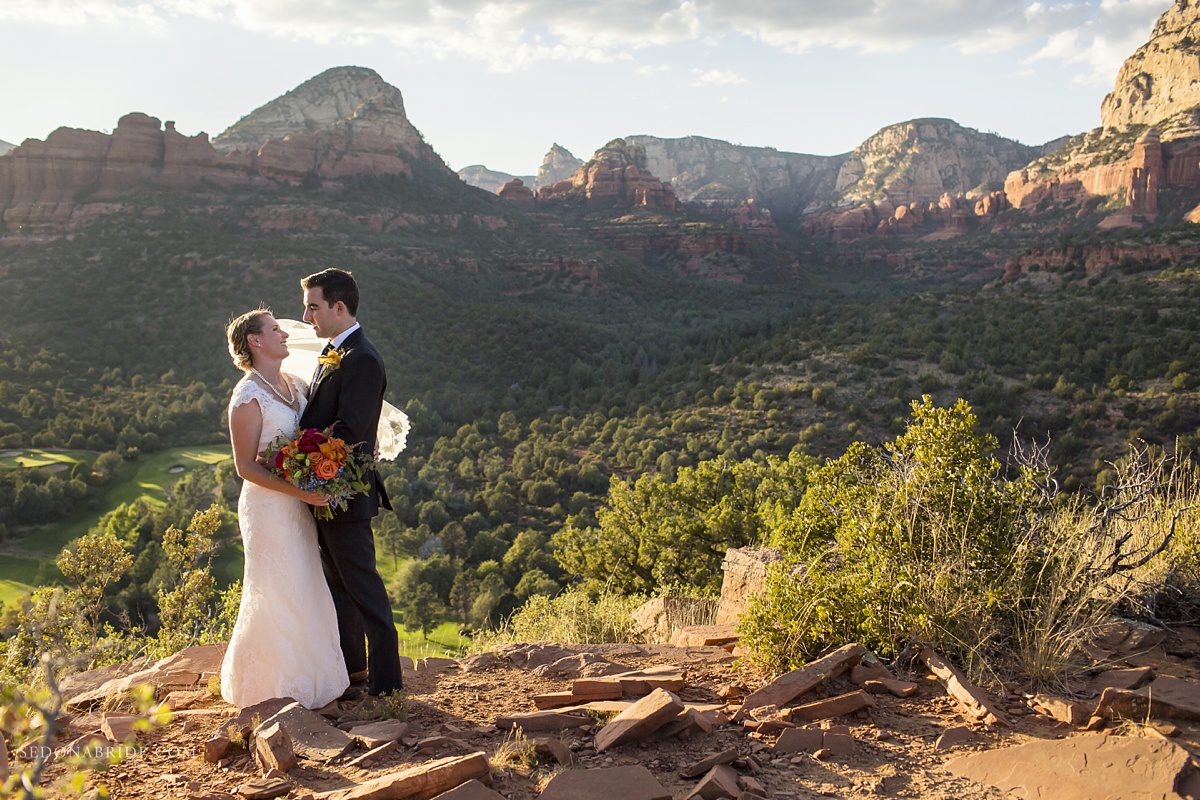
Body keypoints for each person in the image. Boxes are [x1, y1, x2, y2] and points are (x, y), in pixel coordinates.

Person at [219, 308, 350, 709]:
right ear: (255, 341)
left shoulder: (294, 384)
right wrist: (302, 493)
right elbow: (245, 467)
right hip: (268, 508)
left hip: (298, 503)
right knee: (275, 586)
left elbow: (316, 434)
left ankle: (315, 678)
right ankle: (269, 686)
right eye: (275, 329)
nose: (285, 334)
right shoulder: (246, 397)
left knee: (306, 581)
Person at [298, 268, 403, 697]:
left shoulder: (361, 358)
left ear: (339, 307)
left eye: (313, 306)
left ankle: (388, 686)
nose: (305, 316)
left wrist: (294, 454)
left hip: (346, 494)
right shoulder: (336, 351)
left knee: (365, 591)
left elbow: (349, 430)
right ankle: (355, 674)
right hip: (329, 493)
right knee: (340, 588)